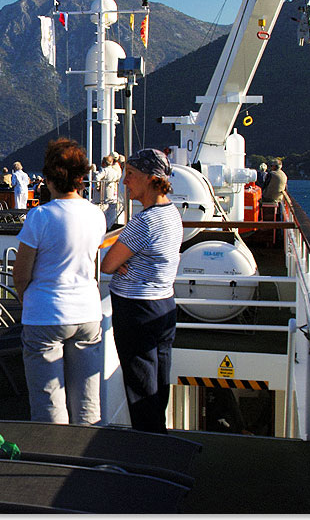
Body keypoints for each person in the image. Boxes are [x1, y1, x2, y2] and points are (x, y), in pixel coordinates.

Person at [12, 139, 106, 424]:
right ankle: (86, 462)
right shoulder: (96, 214)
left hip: (46, 313)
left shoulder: (40, 216)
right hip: (88, 313)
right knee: (88, 400)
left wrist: (26, 298)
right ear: (80, 177)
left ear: (50, 178)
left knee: (48, 401)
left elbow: (21, 272)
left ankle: (53, 460)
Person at [100, 148, 183, 434]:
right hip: (164, 306)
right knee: (158, 382)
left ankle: (148, 452)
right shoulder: (172, 214)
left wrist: (123, 259)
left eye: (131, 175)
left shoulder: (144, 222)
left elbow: (108, 265)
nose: (125, 181)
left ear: (150, 179)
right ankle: (159, 442)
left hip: (137, 311)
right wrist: (129, 258)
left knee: (140, 386)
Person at [95, 153, 122, 227]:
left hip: (103, 196)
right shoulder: (114, 171)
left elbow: (97, 177)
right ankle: (108, 226)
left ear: (103, 163)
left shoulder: (105, 171)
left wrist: (98, 187)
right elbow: (117, 178)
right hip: (111, 194)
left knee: (103, 210)